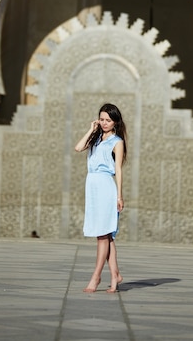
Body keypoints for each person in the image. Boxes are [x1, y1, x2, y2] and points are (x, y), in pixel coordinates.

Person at [75, 103, 127, 293]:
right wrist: (91, 129)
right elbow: (78, 147)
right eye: (102, 119)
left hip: (106, 187)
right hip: (92, 186)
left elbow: (119, 170)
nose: (104, 123)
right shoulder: (95, 139)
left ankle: (96, 277)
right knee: (105, 235)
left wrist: (119, 196)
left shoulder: (117, 141)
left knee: (103, 235)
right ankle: (115, 275)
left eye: (108, 120)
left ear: (115, 122)